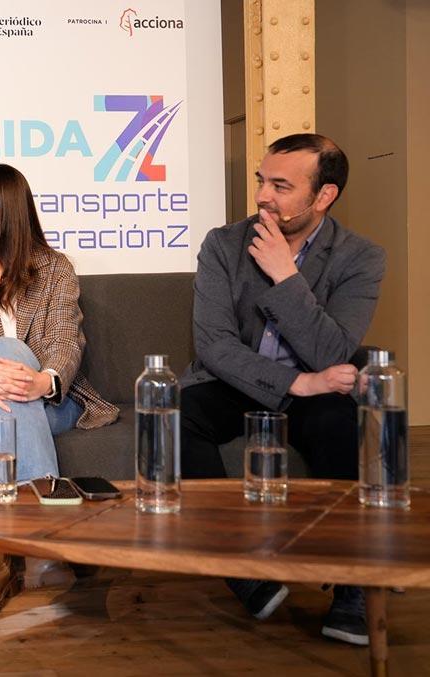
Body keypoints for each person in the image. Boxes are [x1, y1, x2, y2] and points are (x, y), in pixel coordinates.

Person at [180, 133, 385, 645]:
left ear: (324, 196)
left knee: (343, 423)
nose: (262, 197)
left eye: (280, 185)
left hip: (318, 393)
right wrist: (299, 381)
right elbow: (215, 348)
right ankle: (240, 566)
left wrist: (285, 276)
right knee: (174, 414)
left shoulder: (360, 258)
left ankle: (352, 586)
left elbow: (333, 350)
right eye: (260, 181)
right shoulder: (223, 244)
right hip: (236, 382)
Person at [0, 163, 118, 618]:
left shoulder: (54, 269)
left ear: (7, 208)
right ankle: (46, 545)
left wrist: (42, 380)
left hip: (50, 401)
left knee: (5, 360)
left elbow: (63, 340)